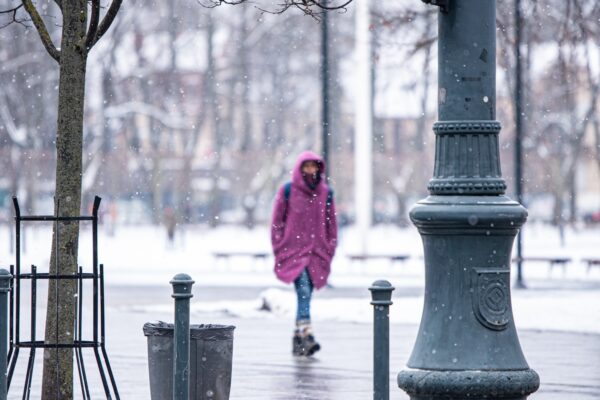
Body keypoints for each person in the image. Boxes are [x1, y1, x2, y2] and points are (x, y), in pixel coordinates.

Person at [270, 151, 338, 356]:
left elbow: (331, 224)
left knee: (306, 290)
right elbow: (277, 221)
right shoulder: (288, 191)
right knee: (304, 289)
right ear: (300, 169)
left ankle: (298, 337)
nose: (310, 170)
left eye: (314, 166)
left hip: (316, 252)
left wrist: (329, 246)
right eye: (306, 166)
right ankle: (306, 334)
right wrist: (279, 244)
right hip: (294, 251)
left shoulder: (326, 193)